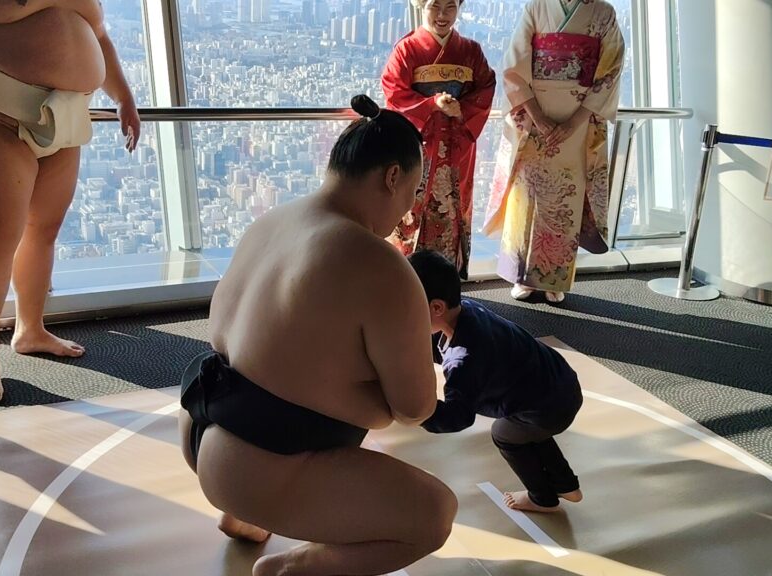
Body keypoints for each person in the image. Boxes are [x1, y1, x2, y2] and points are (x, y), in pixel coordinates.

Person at [177, 96, 457, 576]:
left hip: (198, 430)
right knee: (434, 515)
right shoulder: (380, 264)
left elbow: (274, 356)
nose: (408, 211)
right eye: (412, 192)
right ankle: (292, 568)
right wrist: (370, 403)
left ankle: (245, 517)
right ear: (392, 177)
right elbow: (414, 408)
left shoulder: (272, 221)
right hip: (260, 468)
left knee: (295, 397)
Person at [0, 0, 141, 405]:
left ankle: (30, 329)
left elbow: (98, 33)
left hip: (65, 117)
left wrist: (123, 95)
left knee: (43, 230)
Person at [408, 249, 584, 513]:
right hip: (560, 382)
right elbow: (435, 346)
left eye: (406, 309)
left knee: (505, 434)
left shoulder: (463, 360)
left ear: (436, 307)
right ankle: (566, 485)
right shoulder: (468, 309)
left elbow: (458, 417)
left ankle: (542, 498)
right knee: (530, 431)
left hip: (547, 406)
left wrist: (416, 410)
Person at [483, 0, 625, 303]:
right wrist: (537, 117)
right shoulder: (536, 7)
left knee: (565, 199)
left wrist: (574, 122)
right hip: (535, 117)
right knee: (527, 196)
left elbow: (610, 71)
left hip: (579, 120)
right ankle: (522, 276)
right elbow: (514, 64)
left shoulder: (603, 13)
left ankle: (553, 277)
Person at [382, 0, 496, 279]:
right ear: (421, 5)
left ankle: (444, 282)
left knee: (451, 212)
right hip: (418, 146)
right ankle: (404, 282)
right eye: (435, 6)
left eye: (450, 6)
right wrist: (432, 104)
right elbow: (394, 92)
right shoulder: (407, 49)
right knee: (410, 212)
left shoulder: (471, 51)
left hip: (456, 147)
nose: (443, 15)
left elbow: (486, 87)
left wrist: (462, 109)